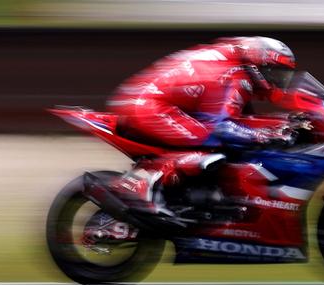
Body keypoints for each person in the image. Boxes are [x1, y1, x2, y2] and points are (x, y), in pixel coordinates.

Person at [103, 36, 300, 227]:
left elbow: (241, 120)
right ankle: (140, 185)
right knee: (208, 140)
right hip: (148, 106)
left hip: (156, 103)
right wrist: (263, 135)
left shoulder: (236, 65)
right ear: (259, 66)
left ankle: (183, 196)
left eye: (283, 75)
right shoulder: (233, 76)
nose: (279, 80)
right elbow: (221, 126)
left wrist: (282, 123)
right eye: (275, 73)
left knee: (222, 141)